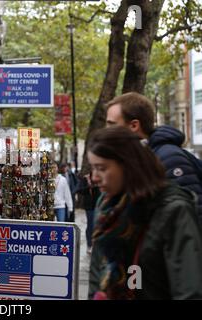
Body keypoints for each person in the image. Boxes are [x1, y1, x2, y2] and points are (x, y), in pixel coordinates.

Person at [87, 126, 202, 300]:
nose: (94, 178)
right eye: (93, 168)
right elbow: (97, 274)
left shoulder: (173, 211)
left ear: (128, 165)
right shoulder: (107, 210)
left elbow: (188, 290)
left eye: (101, 168)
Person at [106, 92, 202, 224]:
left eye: (112, 124)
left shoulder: (169, 158)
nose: (106, 130)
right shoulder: (137, 159)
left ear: (134, 126)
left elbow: (193, 217)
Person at [75, 171, 101, 254]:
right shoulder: (86, 179)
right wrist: (89, 187)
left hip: (99, 205)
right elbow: (79, 190)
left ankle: (96, 245)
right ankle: (89, 245)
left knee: (97, 225)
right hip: (89, 206)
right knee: (91, 225)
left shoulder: (100, 178)